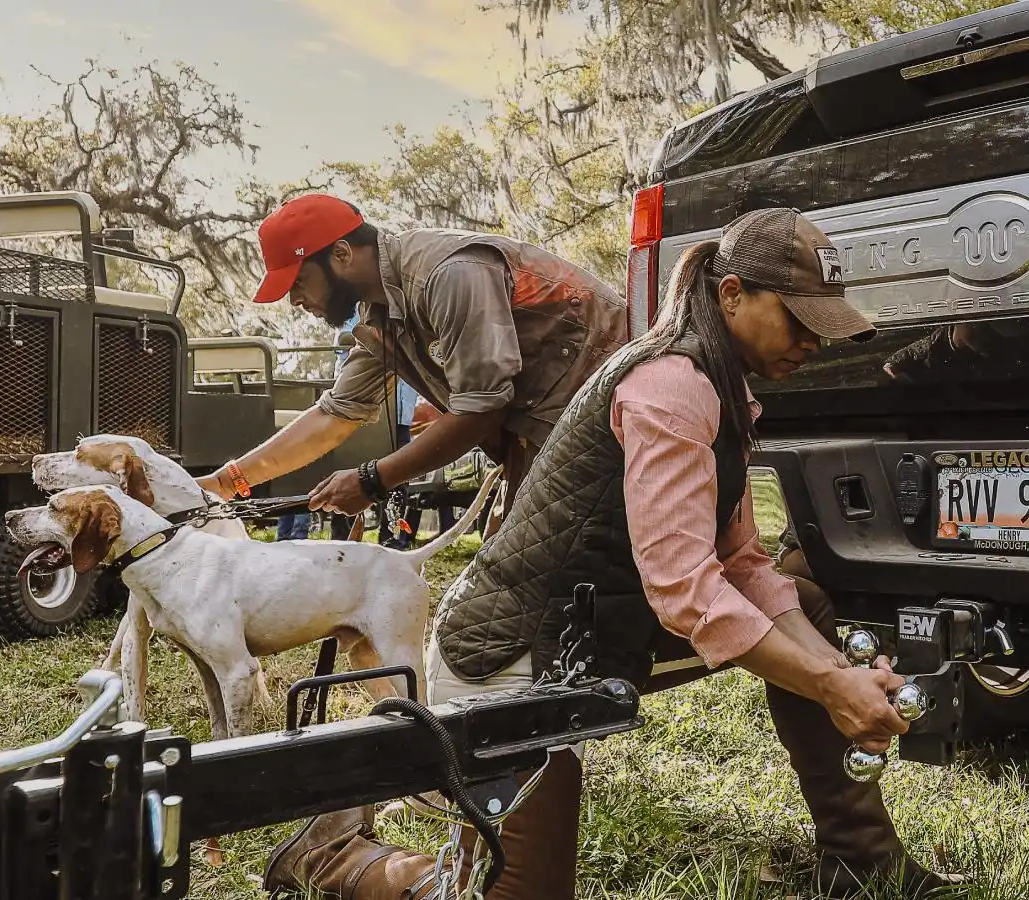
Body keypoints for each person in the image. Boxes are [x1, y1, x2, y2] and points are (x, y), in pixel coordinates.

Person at [261, 209, 967, 899]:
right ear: (732, 295)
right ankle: (336, 855)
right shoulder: (671, 387)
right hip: (514, 656)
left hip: (597, 633)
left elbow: (744, 563)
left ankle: (862, 860)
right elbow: (686, 589)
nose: (814, 340)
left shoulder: (728, 392)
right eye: (799, 318)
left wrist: (832, 670)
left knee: (802, 601)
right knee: (496, 893)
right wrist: (828, 687)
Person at [193, 193, 626, 533]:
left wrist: (371, 480)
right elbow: (335, 415)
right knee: (512, 587)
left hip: (616, 421)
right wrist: (226, 483)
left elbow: (481, 408)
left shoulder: (450, 274)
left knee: (518, 594)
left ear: (341, 254)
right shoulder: (377, 316)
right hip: (550, 436)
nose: (296, 301)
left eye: (300, 282)